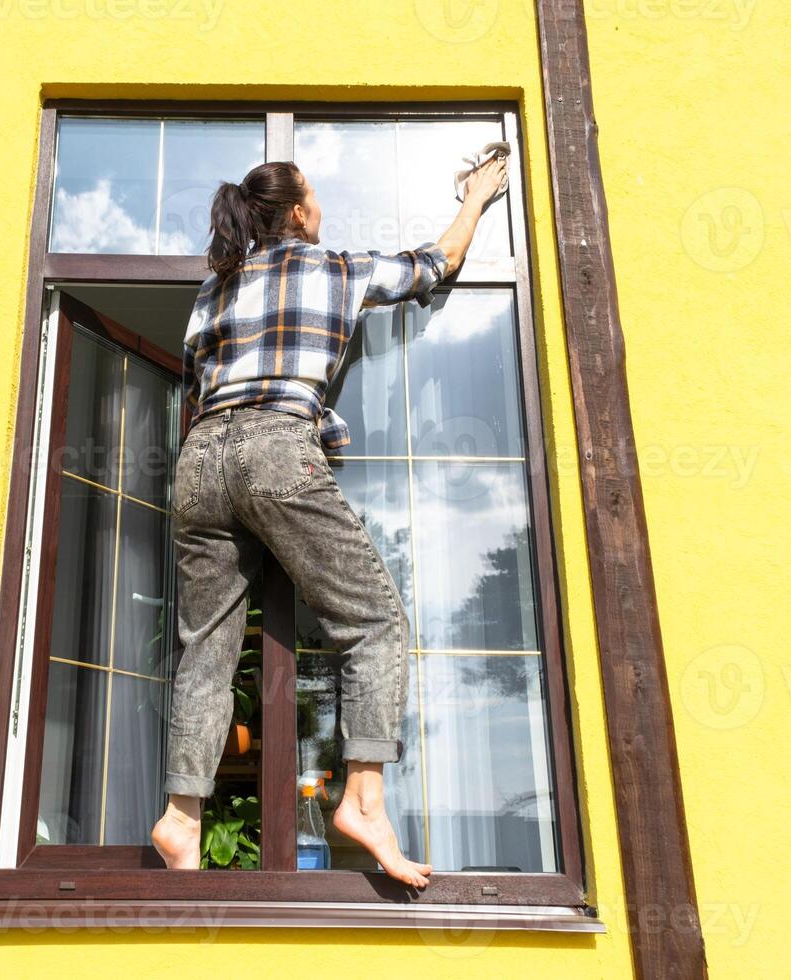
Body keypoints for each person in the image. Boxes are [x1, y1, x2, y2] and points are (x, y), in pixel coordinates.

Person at [149, 155, 509, 887]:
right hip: (275, 450)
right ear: (301, 217)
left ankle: (182, 817)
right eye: (318, 201)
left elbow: (195, 386)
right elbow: (435, 263)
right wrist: (476, 197)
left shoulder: (213, 292)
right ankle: (365, 802)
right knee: (373, 623)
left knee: (204, 652)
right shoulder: (333, 269)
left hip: (198, 462)